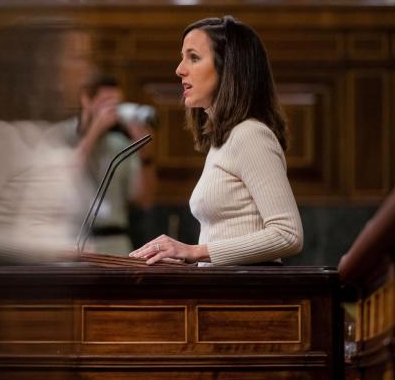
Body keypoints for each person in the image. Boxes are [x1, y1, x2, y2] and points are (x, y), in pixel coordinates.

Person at [130, 16, 303, 266]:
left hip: (250, 290)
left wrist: (193, 252)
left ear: (228, 68)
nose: (179, 69)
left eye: (193, 57)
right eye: (182, 57)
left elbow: (288, 235)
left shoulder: (250, 135)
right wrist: (189, 263)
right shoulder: (225, 138)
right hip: (223, 287)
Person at [0, 23, 96, 265]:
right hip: (20, 287)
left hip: (60, 284)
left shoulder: (54, 139)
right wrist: (56, 253)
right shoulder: (0, 137)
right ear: (45, 69)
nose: (89, 71)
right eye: (79, 58)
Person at [54, 74, 157, 256]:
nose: (112, 110)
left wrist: (145, 156)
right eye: (106, 103)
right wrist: (95, 130)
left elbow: (143, 200)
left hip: (115, 242)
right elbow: (61, 179)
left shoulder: (121, 144)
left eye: (116, 104)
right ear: (86, 100)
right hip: (73, 239)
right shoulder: (62, 134)